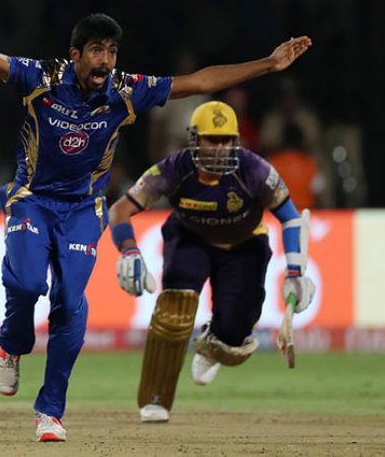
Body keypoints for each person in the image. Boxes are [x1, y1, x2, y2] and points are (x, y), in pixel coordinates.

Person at [0, 0, 312, 442]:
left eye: (112, 51)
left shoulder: (127, 90)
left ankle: (50, 412)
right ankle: (12, 344)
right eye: (97, 50)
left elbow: (200, 82)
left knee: (70, 302)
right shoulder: (42, 77)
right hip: (32, 200)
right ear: (75, 54)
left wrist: (267, 65)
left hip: (83, 209)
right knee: (26, 283)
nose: (106, 60)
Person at [108, 101, 316, 423]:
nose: (220, 148)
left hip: (245, 244)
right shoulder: (174, 168)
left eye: (226, 140)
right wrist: (129, 251)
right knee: (174, 310)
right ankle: (156, 396)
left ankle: (215, 341)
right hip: (190, 239)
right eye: (212, 140)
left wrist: (295, 272)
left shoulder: (255, 170)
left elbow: (290, 217)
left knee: (235, 337)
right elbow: (121, 209)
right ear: (195, 139)